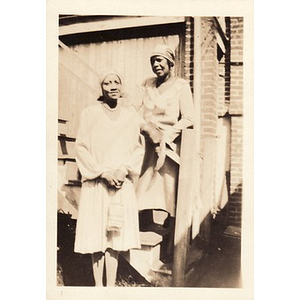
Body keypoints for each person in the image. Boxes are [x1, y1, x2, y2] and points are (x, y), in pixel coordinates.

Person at [74, 70, 144, 286]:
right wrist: (102, 172)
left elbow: (137, 148)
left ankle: (111, 286)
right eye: (107, 83)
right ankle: (98, 287)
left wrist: (124, 170)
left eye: (116, 82)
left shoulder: (131, 116)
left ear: (122, 87)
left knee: (115, 237)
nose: (112, 86)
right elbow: (82, 147)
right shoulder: (89, 114)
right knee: (97, 235)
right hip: (97, 182)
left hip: (121, 183)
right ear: (101, 88)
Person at [135, 44, 195, 258]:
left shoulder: (181, 86)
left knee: (169, 192)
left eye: (160, 60)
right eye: (153, 61)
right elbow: (136, 110)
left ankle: (171, 246)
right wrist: (147, 130)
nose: (156, 64)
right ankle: (139, 234)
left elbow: (189, 117)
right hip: (145, 142)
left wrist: (166, 136)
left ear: (171, 63)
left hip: (168, 146)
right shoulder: (146, 84)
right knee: (141, 187)